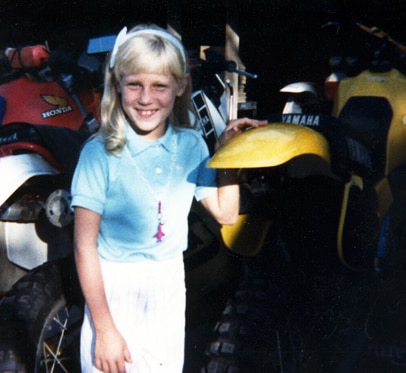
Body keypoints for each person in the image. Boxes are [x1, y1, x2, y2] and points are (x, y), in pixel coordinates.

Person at [71, 24, 266, 373]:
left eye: (159, 86)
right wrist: (105, 329)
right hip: (114, 287)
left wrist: (229, 158)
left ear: (179, 88)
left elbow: (226, 213)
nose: (146, 99)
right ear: (118, 84)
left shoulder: (190, 144)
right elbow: (84, 248)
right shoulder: (98, 153)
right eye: (135, 84)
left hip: (168, 283)